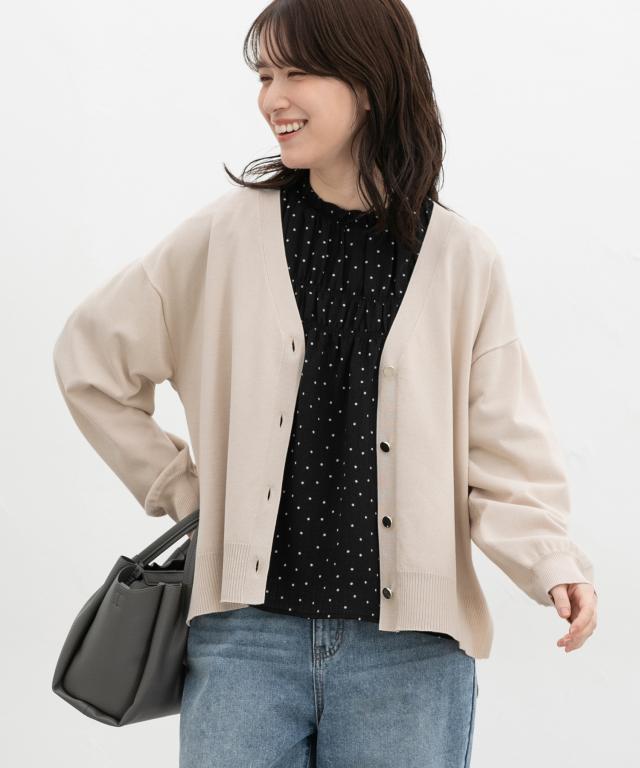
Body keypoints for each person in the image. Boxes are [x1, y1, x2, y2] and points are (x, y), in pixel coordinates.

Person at [53, 1, 597, 766]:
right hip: (245, 639)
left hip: (409, 657)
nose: (273, 98)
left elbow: (503, 443)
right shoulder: (225, 235)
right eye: (264, 75)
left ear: (369, 84)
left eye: (298, 73)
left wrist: (549, 561)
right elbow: (90, 362)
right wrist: (186, 491)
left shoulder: (460, 258)